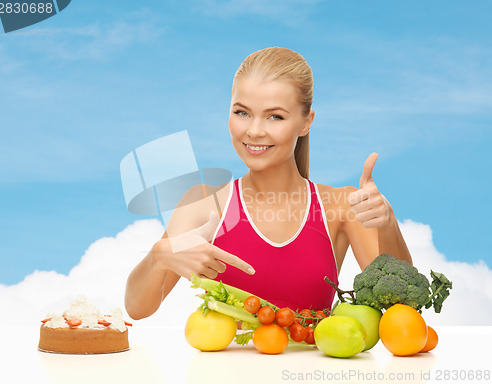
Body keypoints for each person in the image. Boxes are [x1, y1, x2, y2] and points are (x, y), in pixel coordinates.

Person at [125, 47, 412, 320]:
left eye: (275, 116)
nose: (254, 130)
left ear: (305, 122)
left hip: (304, 372)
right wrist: (160, 255)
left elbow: (402, 307)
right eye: (242, 112)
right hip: (220, 372)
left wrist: (387, 222)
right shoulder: (202, 203)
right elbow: (137, 308)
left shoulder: (342, 206)